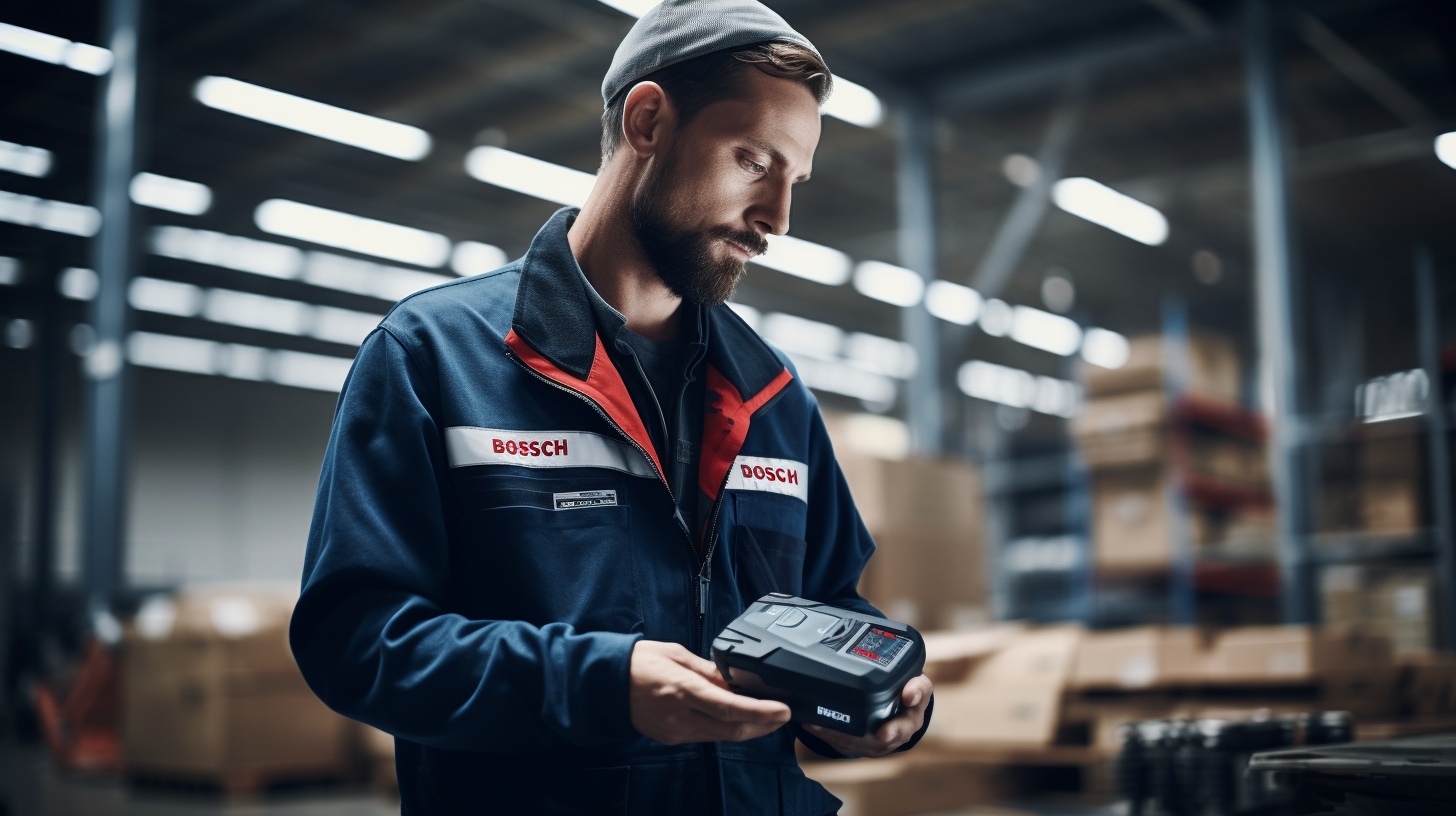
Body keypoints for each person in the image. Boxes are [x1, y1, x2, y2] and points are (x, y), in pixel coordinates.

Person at [289, 1, 933, 812]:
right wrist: (597, 682)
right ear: (649, 120)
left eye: (792, 180)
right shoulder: (433, 358)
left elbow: (830, 606)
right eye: (751, 160)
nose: (778, 219)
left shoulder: (772, 392)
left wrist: (883, 702)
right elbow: (355, 641)